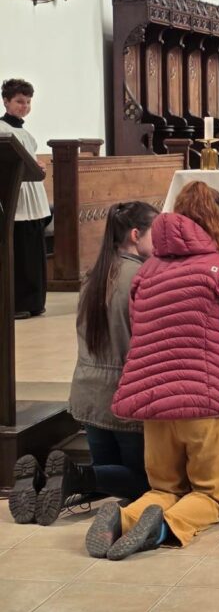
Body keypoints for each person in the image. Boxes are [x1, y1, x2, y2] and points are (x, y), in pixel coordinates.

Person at [85, 182, 219, 560]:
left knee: (163, 489)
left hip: (156, 408)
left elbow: (141, 334)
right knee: (214, 496)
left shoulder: (146, 273)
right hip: (207, 405)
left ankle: (125, 517)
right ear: (217, 222)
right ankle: (164, 527)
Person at [10, 203, 157, 526]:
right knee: (144, 482)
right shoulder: (142, 278)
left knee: (107, 472)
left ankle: (42, 481)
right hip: (124, 396)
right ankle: (74, 476)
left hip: (88, 393)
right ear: (135, 235)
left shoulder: (95, 273)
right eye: (154, 233)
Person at [0, 78, 50, 319]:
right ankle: (18, 303)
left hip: (33, 199)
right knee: (20, 254)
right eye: (20, 101)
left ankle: (35, 301)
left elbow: (27, 159)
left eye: (28, 102)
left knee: (34, 254)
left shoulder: (26, 134)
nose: (25, 106)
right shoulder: (2, 131)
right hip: (16, 199)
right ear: (6, 101)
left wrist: (38, 165)